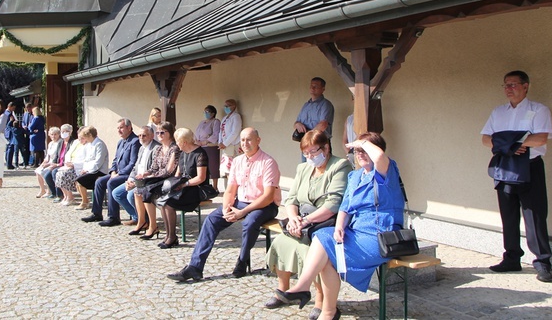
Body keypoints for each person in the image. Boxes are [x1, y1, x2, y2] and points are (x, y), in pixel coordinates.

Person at [276, 133, 404, 319]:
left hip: (380, 235)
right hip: (356, 231)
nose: (360, 153)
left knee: (324, 245)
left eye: (364, 149)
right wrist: (339, 226)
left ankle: (305, 288)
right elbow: (345, 206)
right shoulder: (355, 175)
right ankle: (327, 310)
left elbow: (379, 157)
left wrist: (362, 142)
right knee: (325, 242)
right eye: (357, 150)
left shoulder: (386, 170)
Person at [168, 127, 280, 281]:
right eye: (242, 140)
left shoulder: (268, 162)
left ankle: (242, 261)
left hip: (264, 205)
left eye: (249, 139)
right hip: (241, 202)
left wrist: (242, 212)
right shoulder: (238, 161)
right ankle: (195, 267)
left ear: (258, 141)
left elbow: (268, 196)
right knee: (212, 220)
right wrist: (227, 207)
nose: (245, 143)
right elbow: (230, 190)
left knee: (250, 221)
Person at [481, 70, 552, 283]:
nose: (509, 89)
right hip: (504, 165)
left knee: (535, 215)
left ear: (526, 86)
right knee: (509, 214)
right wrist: (517, 143)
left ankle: (542, 262)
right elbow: (486, 139)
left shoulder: (539, 110)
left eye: (513, 84)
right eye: (505, 85)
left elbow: (541, 138)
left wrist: (510, 143)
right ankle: (511, 257)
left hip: (530, 166)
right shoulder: (498, 112)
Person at [264, 130, 351, 309]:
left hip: (326, 224)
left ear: (326, 148)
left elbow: (333, 204)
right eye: (306, 153)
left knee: (311, 251)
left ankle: (320, 300)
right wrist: (294, 218)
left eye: (313, 152)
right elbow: (292, 198)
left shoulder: (340, 166)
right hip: (302, 222)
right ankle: (284, 291)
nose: (310, 156)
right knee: (281, 242)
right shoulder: (303, 168)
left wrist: (304, 221)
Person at [82, 118, 140, 226]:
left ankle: (113, 217)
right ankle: (96, 213)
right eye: (117, 128)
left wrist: (119, 173)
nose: (119, 130)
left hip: (127, 174)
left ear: (129, 128)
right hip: (116, 173)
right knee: (99, 182)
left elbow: (133, 163)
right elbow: (115, 160)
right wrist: (113, 171)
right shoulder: (120, 142)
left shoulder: (135, 141)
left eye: (121, 128)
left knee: (111, 183)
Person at [133, 122, 180, 243]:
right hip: (158, 178)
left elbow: (169, 170)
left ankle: (153, 226)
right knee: (139, 188)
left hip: (169, 180)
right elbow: (154, 167)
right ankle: (146, 223)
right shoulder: (159, 148)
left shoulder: (174, 148)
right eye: (158, 132)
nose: (159, 134)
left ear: (170, 133)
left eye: (162, 132)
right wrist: (146, 174)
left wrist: (153, 176)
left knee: (146, 189)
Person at [113, 125, 159, 228]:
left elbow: (154, 169)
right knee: (116, 193)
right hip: (136, 179)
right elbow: (135, 167)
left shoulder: (156, 148)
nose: (141, 138)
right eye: (139, 136)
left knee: (131, 195)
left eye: (144, 135)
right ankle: (137, 217)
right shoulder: (142, 148)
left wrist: (135, 183)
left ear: (152, 136)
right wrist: (130, 180)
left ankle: (145, 221)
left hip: (147, 181)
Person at [74, 126, 109, 210]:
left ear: (90, 135)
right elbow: (87, 160)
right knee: (78, 181)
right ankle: (85, 200)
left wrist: (88, 170)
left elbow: (98, 162)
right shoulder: (90, 145)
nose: (84, 139)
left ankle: (85, 202)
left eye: (84, 137)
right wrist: (84, 169)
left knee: (80, 181)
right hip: (90, 170)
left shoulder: (99, 144)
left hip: (99, 171)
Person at [56, 127, 88, 206]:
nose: (80, 139)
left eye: (82, 137)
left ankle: (70, 197)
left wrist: (74, 164)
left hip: (80, 167)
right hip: (70, 165)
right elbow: (68, 153)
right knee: (58, 173)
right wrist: (68, 162)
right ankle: (66, 196)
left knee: (65, 174)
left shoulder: (88, 145)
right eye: (79, 137)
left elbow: (86, 160)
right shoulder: (76, 142)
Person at [43, 124, 73, 202]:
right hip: (58, 164)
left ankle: (60, 195)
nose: (64, 133)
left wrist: (58, 165)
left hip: (65, 164)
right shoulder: (61, 142)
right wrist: (53, 164)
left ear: (70, 132)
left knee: (54, 172)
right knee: (47, 175)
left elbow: (69, 157)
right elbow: (57, 155)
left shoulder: (72, 142)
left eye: (66, 131)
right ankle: (53, 192)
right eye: (63, 131)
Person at [195, 104, 221, 192]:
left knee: (213, 165)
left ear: (213, 113)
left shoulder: (215, 121)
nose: (205, 113)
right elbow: (197, 132)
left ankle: (215, 186)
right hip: (200, 146)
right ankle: (205, 186)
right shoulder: (202, 122)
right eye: (204, 111)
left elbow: (216, 134)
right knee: (203, 165)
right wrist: (197, 141)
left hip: (210, 146)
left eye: (208, 112)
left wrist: (205, 142)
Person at [218, 98, 242, 182]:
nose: (226, 107)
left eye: (228, 106)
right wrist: (220, 142)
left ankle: (235, 189)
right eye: (225, 106)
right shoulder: (225, 118)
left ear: (234, 106)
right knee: (226, 169)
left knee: (234, 168)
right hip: (225, 146)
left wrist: (225, 143)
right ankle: (230, 188)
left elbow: (235, 131)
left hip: (233, 145)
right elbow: (221, 130)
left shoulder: (236, 116)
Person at [35, 127, 63, 198]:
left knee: (44, 172)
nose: (53, 136)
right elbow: (48, 156)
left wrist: (49, 164)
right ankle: (42, 190)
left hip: (55, 163)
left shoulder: (60, 143)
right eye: (52, 134)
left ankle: (49, 190)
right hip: (49, 162)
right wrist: (43, 163)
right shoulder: (50, 143)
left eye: (55, 134)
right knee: (38, 170)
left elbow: (58, 156)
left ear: (59, 134)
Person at [4, 102, 18, 169]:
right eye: (13, 108)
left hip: (6, 132)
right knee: (10, 148)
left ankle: (7, 162)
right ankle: (9, 164)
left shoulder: (4, 113)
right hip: (10, 132)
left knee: (7, 148)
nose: (14, 109)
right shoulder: (9, 114)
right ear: (10, 107)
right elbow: (10, 123)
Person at [21, 102, 33, 166]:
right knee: (25, 148)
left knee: (31, 148)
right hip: (26, 132)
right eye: (27, 108)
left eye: (29, 108)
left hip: (31, 133)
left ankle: (32, 161)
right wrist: (23, 126)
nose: (28, 109)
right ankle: (25, 161)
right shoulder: (25, 114)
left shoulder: (33, 114)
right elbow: (23, 122)